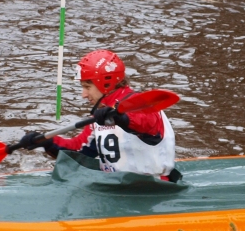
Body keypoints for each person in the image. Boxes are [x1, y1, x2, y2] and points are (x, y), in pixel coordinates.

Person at [17, 49, 178, 179]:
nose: (83, 94)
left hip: (155, 191)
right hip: (117, 188)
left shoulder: (141, 104)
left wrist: (120, 118)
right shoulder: (101, 115)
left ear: (105, 84)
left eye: (87, 87)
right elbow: (79, 151)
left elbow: (146, 123)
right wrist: (47, 142)